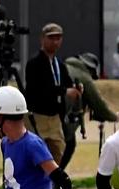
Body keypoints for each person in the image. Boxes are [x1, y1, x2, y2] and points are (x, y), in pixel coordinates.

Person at [25, 23, 81, 164]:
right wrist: (64, 91)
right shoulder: (34, 63)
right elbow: (39, 89)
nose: (55, 42)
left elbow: (66, 83)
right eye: (51, 38)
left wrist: (76, 88)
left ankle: (54, 185)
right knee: (35, 156)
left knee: (58, 155)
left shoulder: (59, 64)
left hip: (55, 117)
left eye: (58, 38)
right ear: (42, 39)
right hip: (38, 117)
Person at [61, 52, 119, 170]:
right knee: (68, 145)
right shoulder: (83, 76)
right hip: (63, 121)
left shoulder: (65, 67)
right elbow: (98, 104)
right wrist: (114, 117)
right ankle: (54, 180)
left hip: (51, 117)